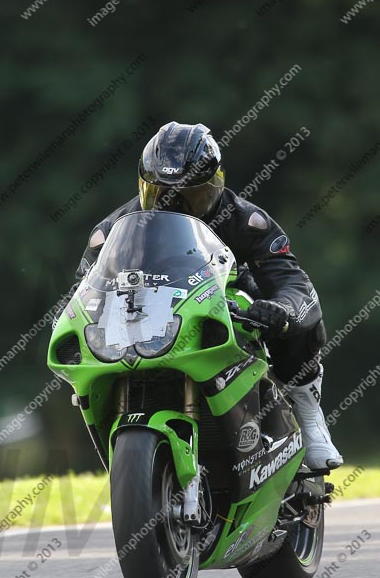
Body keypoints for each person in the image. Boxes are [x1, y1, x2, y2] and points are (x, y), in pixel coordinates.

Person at [73, 121, 342, 470]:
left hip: (228, 306)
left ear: (216, 185)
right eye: (161, 194)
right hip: (150, 320)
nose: (175, 203)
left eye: (191, 195)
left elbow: (292, 282)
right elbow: (82, 288)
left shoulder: (247, 221)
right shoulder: (113, 229)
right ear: (143, 187)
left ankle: (308, 411)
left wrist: (281, 309)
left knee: (296, 320)